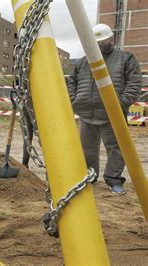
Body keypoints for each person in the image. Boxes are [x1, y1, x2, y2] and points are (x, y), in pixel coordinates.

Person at [67, 24, 142, 194]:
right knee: (87, 149)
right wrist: (76, 101)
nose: (100, 45)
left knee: (115, 148)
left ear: (112, 39)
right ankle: (90, 176)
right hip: (87, 113)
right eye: (97, 42)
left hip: (112, 115)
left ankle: (114, 180)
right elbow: (72, 81)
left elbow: (135, 83)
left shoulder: (126, 58)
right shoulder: (83, 62)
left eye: (104, 41)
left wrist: (119, 104)